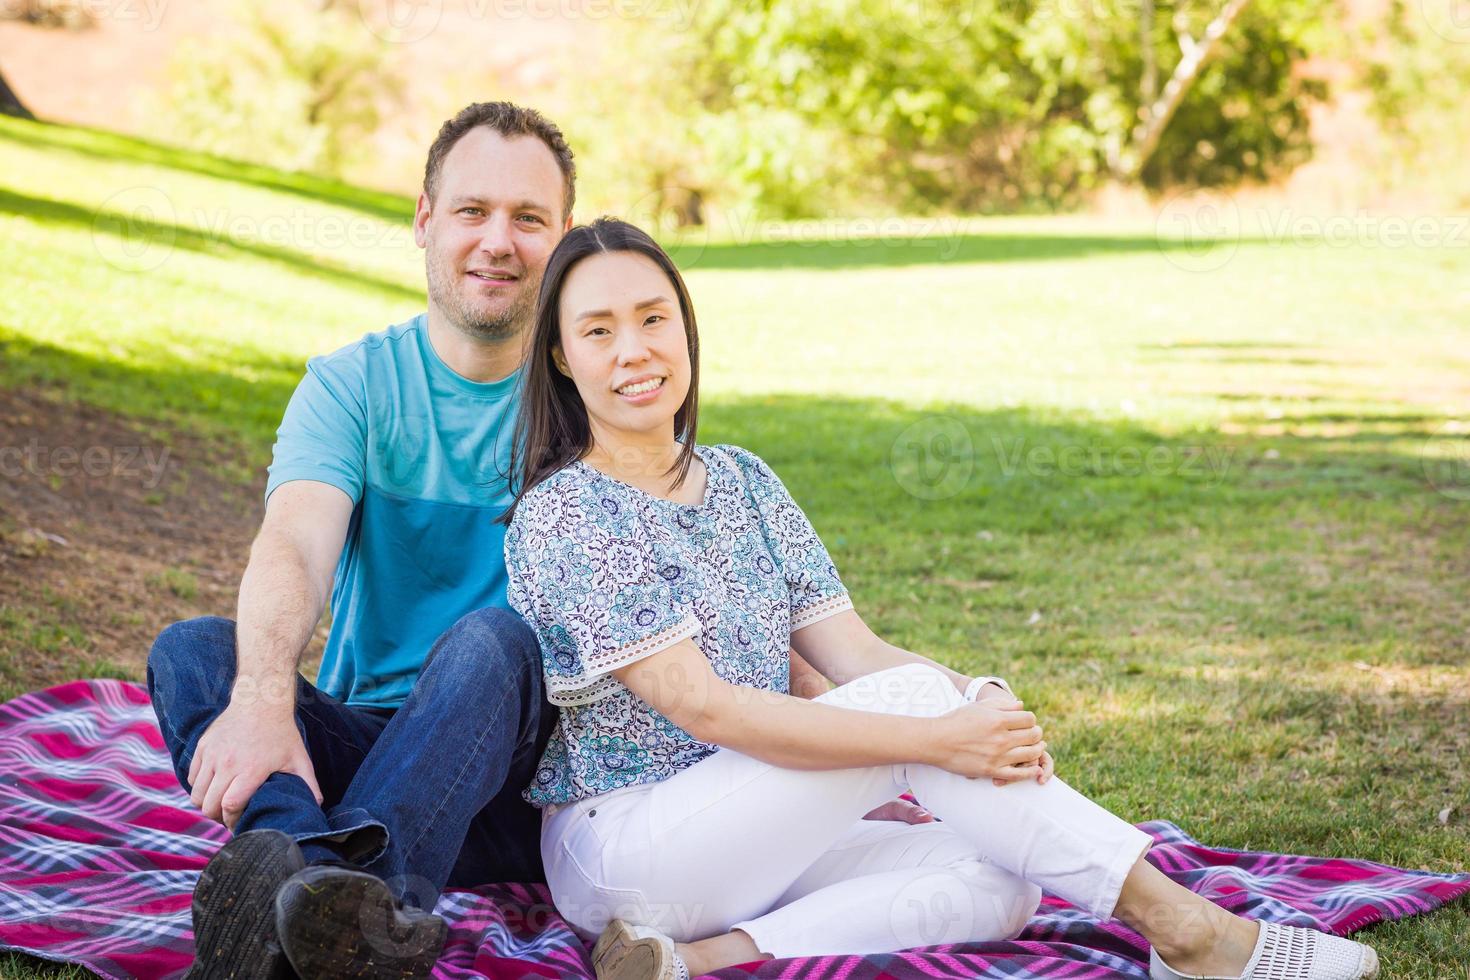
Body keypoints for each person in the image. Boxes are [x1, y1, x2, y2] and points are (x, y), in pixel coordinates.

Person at [146, 103, 927, 980]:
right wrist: (259, 701)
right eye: (472, 212)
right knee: (195, 653)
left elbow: (741, 597)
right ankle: (312, 891)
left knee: (496, 639)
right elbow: (292, 546)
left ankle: (338, 895)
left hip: (539, 780)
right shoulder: (353, 386)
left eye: (528, 220)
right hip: (374, 753)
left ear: (558, 246)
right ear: (424, 220)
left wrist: (844, 760)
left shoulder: (596, 395)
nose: (497, 241)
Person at [499, 217, 1383, 980]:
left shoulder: (744, 480)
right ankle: (1189, 930)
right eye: (601, 330)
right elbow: (708, 708)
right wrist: (933, 734)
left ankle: (695, 960)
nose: (635, 351)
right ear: (563, 357)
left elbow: (859, 655)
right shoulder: (568, 512)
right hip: (629, 847)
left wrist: (978, 703)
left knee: (1005, 878)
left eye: (654, 319)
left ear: (685, 328)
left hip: (750, 844)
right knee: (926, 718)